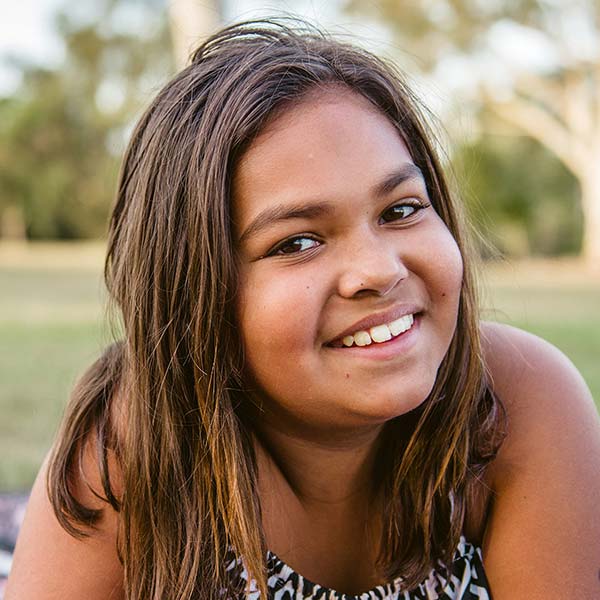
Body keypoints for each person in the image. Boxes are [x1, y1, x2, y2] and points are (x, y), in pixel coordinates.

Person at [6, 19, 600, 600]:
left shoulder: (515, 399)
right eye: (297, 243)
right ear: (195, 296)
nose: (380, 270)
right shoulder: (140, 449)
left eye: (400, 209)